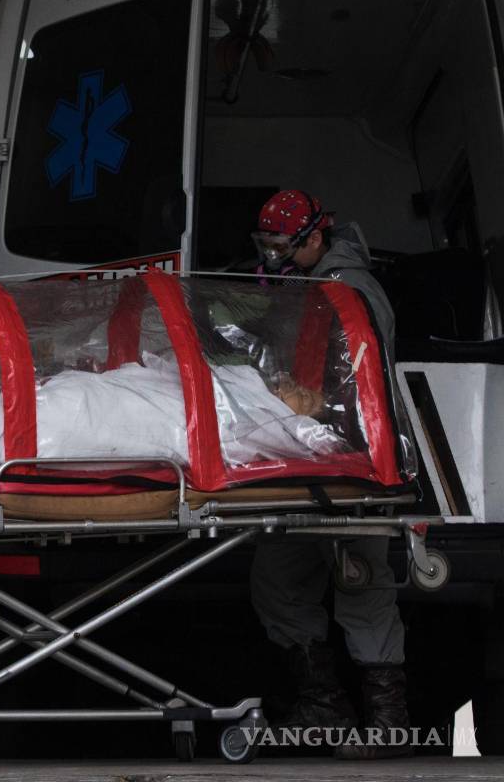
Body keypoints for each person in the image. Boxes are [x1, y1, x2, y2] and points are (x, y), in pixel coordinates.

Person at [248, 189, 408, 760]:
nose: (270, 256)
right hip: (307, 460)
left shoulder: (352, 293)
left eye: (279, 245)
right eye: (264, 246)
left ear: (314, 238)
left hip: (356, 463)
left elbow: (366, 380)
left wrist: (319, 405)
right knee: (277, 578)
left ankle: (389, 724)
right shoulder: (303, 289)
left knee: (361, 585)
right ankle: (325, 707)